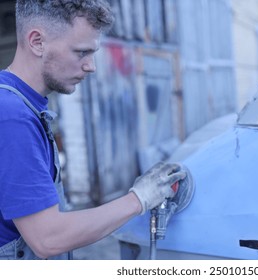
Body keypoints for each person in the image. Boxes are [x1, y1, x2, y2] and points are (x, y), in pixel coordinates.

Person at [0, 0, 187, 260]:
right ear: (37, 42)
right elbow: (48, 238)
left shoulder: (24, 106)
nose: (91, 66)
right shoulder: (11, 116)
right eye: (81, 52)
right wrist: (139, 199)